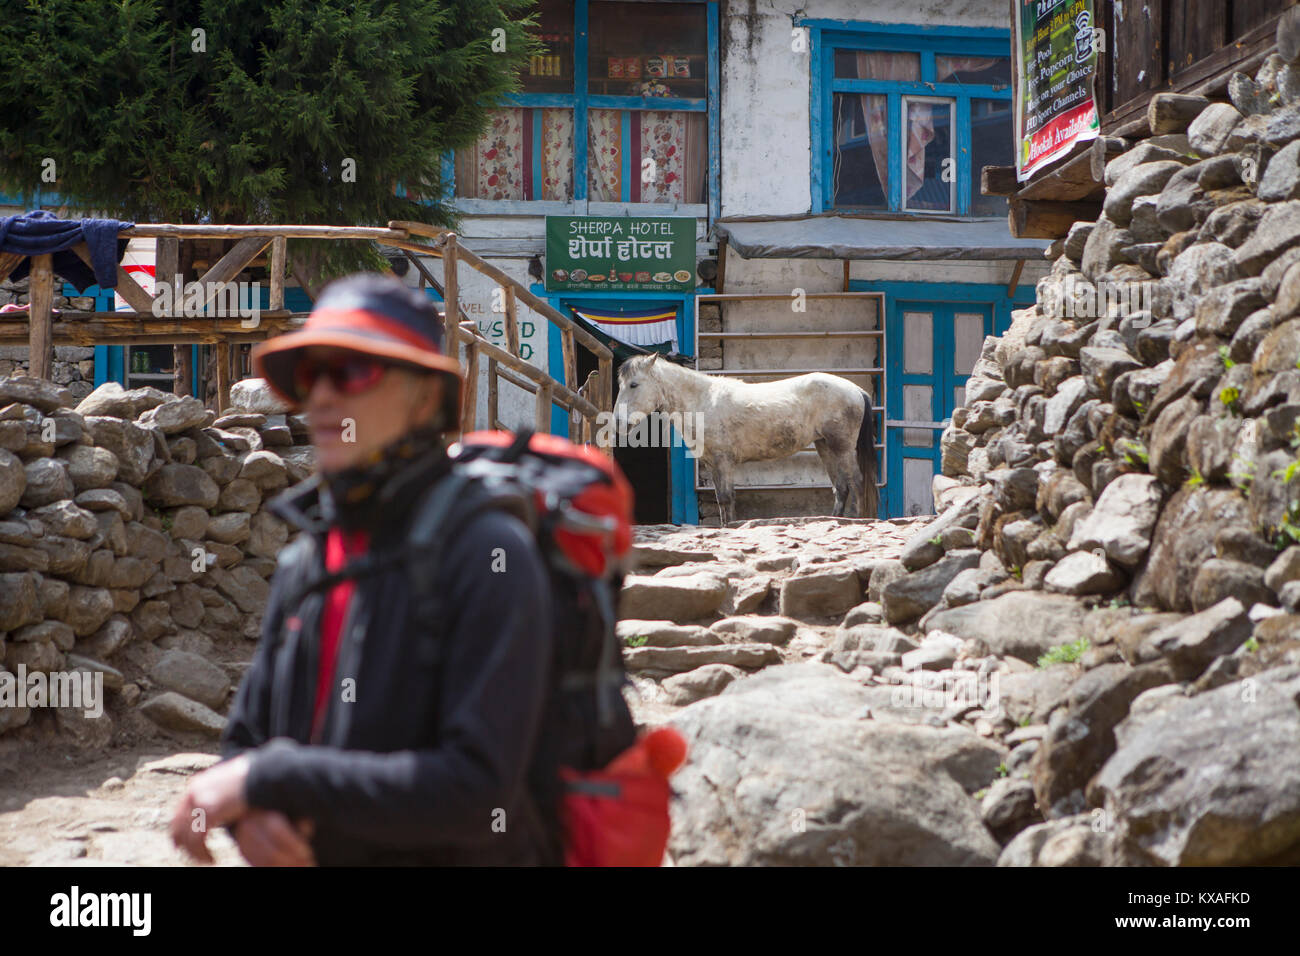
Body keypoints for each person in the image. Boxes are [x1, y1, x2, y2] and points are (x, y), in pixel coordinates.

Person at [169, 273, 556, 866]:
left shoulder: (487, 554)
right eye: (310, 377)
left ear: (425, 398)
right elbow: (247, 743)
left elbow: (476, 790)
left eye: (351, 372)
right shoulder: (309, 557)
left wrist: (272, 780)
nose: (323, 398)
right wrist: (249, 813)